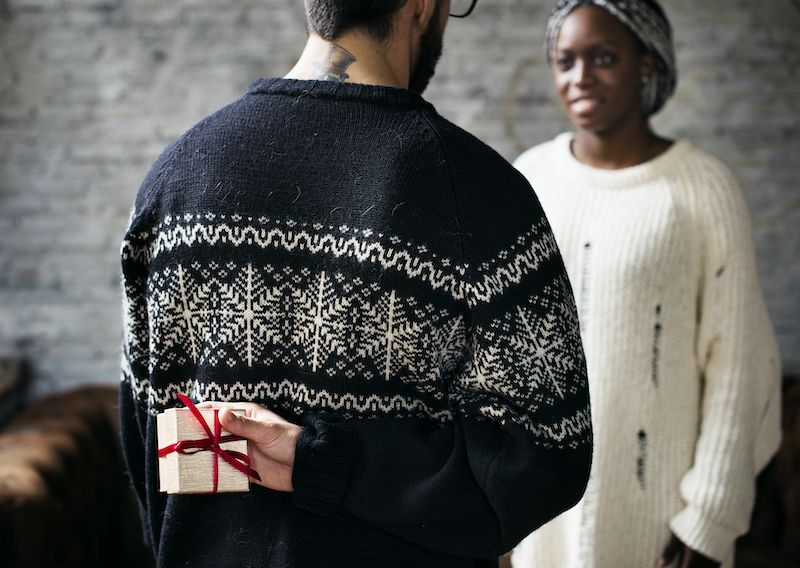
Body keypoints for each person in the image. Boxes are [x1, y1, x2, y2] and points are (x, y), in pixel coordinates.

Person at [119, 1, 593, 566]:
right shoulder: (479, 192)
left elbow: (145, 434)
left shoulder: (172, 181)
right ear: (422, 5)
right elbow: (547, 453)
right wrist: (328, 464)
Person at [510, 1, 781, 567]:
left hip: (660, 524)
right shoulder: (528, 181)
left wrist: (707, 522)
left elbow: (740, 365)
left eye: (602, 57)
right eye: (565, 61)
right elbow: (504, 359)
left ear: (647, 66)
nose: (579, 77)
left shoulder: (703, 188)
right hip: (541, 519)